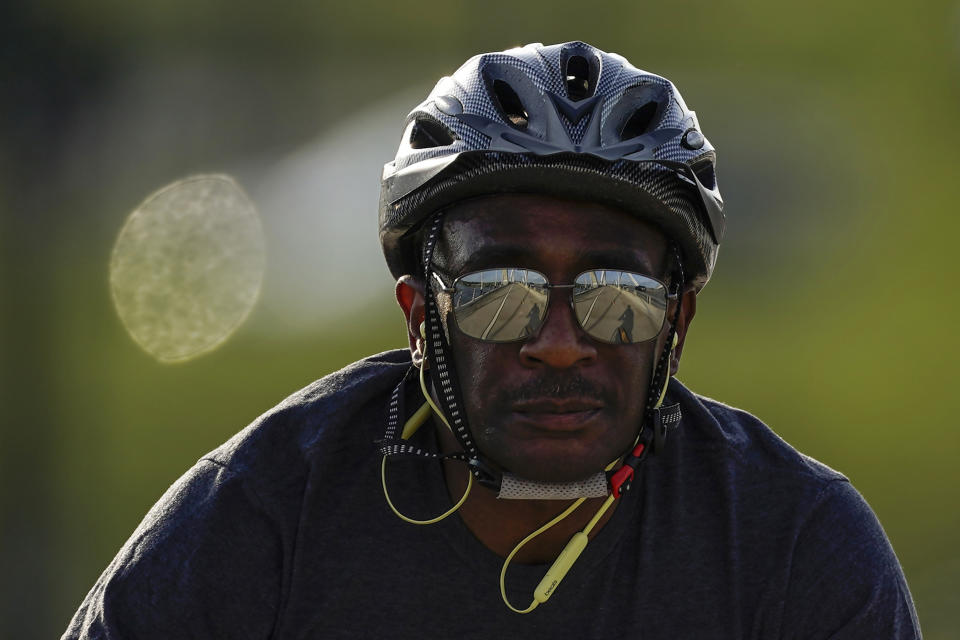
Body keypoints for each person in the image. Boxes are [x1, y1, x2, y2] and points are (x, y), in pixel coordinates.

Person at [63, 41, 921, 638]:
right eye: (498, 295)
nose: (557, 343)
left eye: (615, 297)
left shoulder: (797, 544)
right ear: (419, 316)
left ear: (677, 321)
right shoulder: (258, 517)